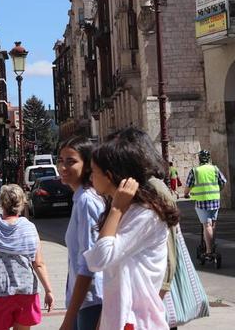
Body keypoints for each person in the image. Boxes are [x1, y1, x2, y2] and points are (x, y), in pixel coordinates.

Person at [83, 128, 180, 330]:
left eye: (94, 171)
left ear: (109, 175)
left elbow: (99, 258)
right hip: (121, 318)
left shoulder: (145, 215)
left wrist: (117, 209)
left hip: (137, 321)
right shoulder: (126, 210)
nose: (90, 177)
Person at [0, 184, 54, 330]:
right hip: (26, 289)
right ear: (22, 203)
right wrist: (48, 291)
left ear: (2, 203)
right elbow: (38, 263)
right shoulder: (29, 227)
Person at [57, 136, 104, 330]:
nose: (63, 167)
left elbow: (88, 262)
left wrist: (70, 317)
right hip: (86, 300)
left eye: (71, 161)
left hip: (91, 299)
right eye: (60, 160)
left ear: (87, 166)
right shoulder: (81, 198)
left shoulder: (86, 200)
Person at [184, 149, 227, 257]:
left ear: (199, 159)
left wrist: (186, 194)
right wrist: (218, 189)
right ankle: (212, 245)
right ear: (209, 159)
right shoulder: (215, 169)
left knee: (206, 225)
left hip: (201, 201)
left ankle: (209, 250)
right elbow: (223, 182)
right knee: (213, 224)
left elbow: (188, 186)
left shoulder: (195, 171)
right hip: (215, 200)